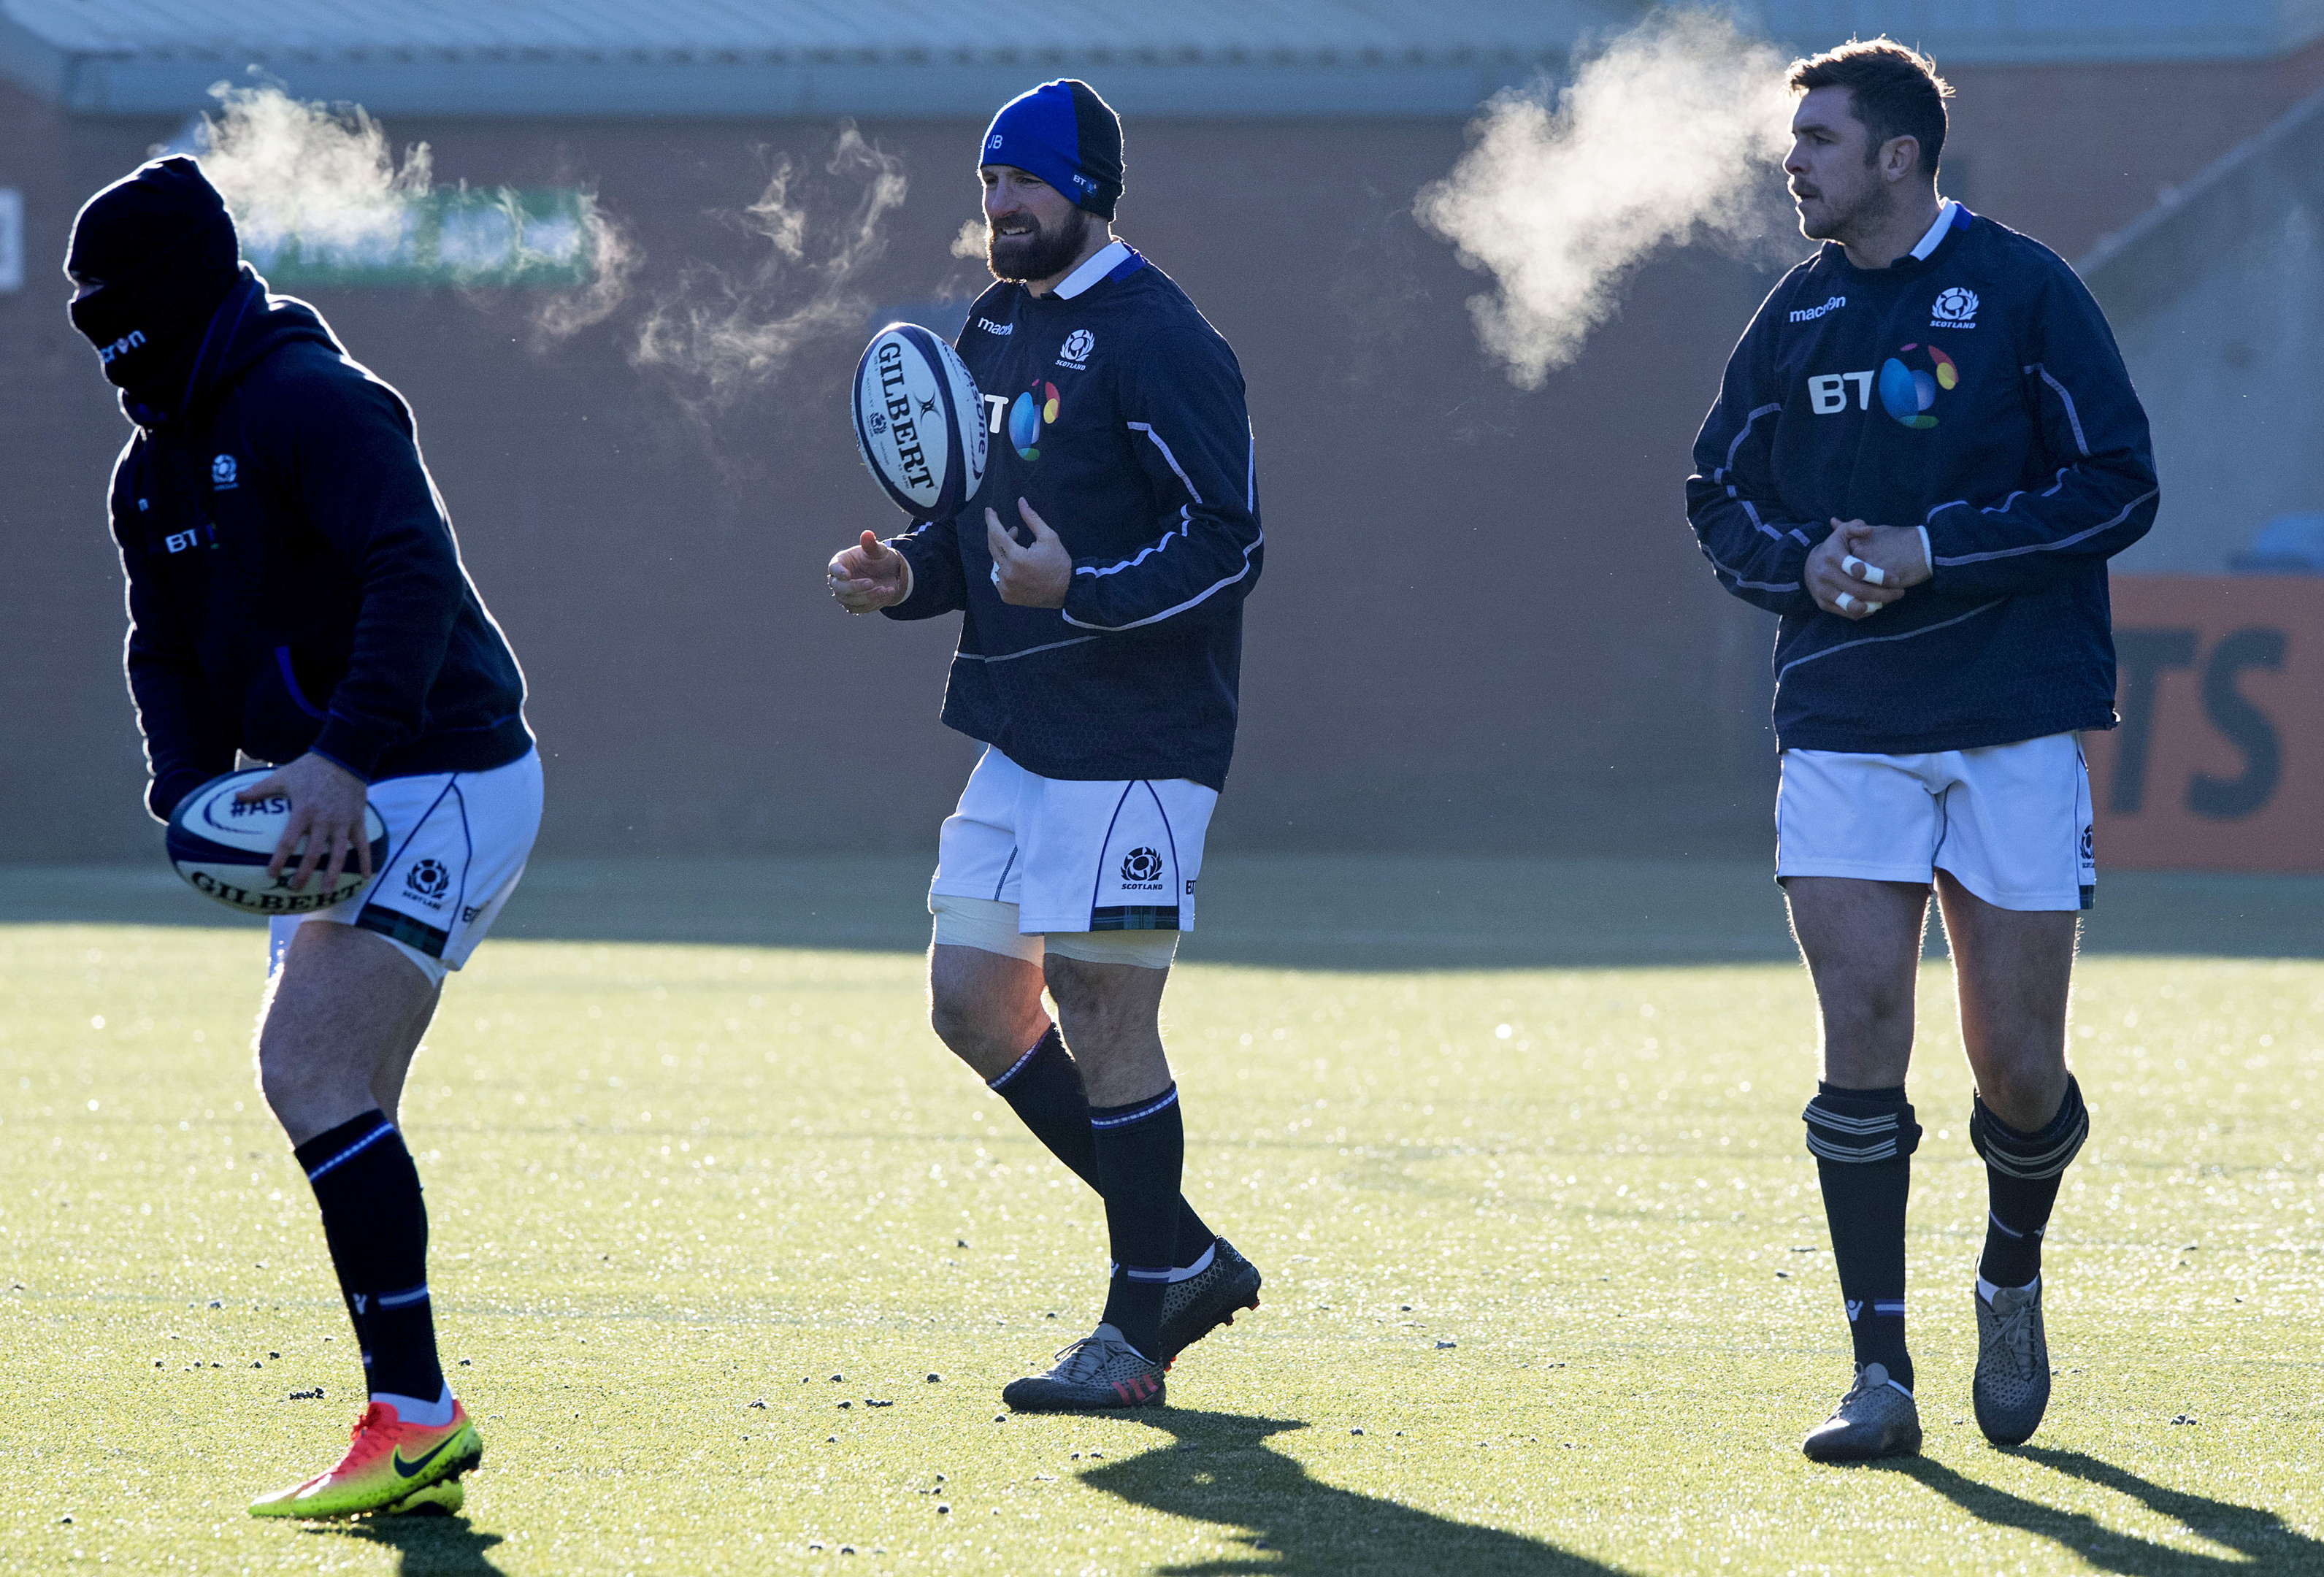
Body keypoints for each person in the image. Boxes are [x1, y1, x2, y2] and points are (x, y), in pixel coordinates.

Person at [1685, 41, 2157, 1462]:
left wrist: (1930, 552)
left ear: (1895, 153)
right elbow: (1716, 495)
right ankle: (1875, 1374)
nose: (1795, 162)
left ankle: (2006, 1272)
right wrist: (1804, 570)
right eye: (1795, 139)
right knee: (1861, 1040)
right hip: (1843, 729)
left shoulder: (2021, 291)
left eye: (1820, 139)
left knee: (2013, 1068)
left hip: (2009, 723)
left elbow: (2115, 484)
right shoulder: (1792, 317)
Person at [72, 157, 541, 1516]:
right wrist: (186, 795)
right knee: (329, 1089)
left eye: (120, 309)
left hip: (441, 766)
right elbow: (158, 646)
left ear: (182, 288)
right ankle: (412, 1418)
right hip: (322, 791)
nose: (107, 341)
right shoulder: (146, 467)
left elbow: (415, 572)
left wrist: (338, 757)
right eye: (85, 316)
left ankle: (416, 1412)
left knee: (308, 1059)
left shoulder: (310, 402)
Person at [827, 79, 1265, 1411]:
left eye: (1025, 183)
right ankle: (1179, 1252)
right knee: (972, 1001)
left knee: (1101, 1006)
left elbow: (1227, 543)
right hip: (1022, 729)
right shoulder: (993, 325)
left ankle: (1138, 1330)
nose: (1002, 207)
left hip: (1136, 737)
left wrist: (1076, 590)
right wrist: (907, 573)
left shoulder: (1160, 335)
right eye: (988, 184)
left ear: (1089, 190)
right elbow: (979, 528)